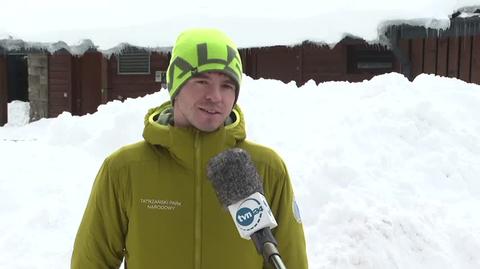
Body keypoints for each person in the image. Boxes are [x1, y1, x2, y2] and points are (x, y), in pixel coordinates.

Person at [71, 28, 308, 269]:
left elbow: (292, 262)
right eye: (201, 81)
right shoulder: (124, 169)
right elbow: (90, 262)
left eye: (227, 85)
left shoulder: (267, 168)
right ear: (175, 86)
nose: (215, 96)